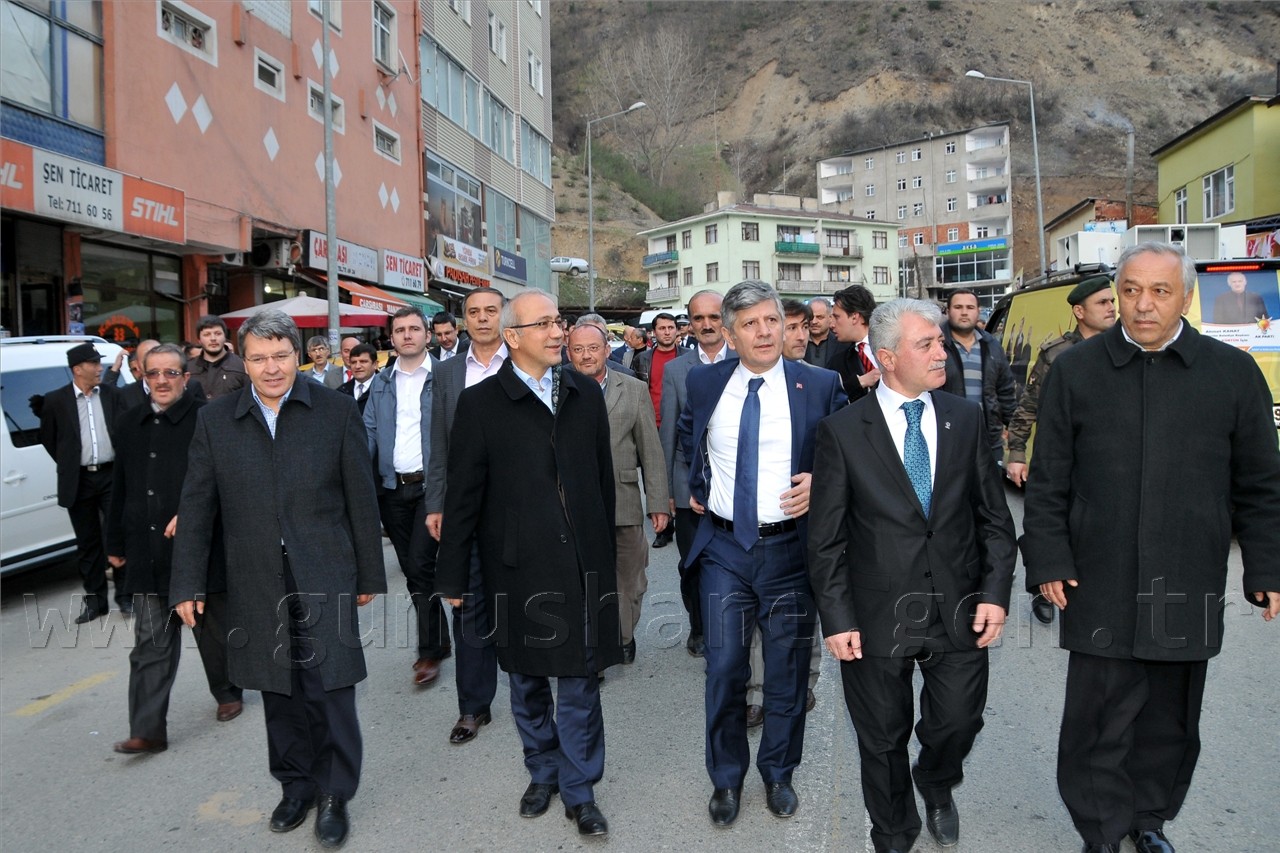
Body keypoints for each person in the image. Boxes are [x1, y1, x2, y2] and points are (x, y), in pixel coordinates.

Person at [1020, 242, 1280, 853]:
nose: (1142, 305)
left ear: (1185, 297)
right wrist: (1049, 558)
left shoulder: (1232, 373)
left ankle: (1148, 820)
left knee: (1170, 718)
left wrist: (1267, 565)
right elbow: (1049, 476)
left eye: (1159, 291)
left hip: (1188, 571)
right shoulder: (1077, 371)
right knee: (1098, 718)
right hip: (1098, 573)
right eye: (1131, 289)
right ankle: (1102, 831)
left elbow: (1261, 485)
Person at [170, 310, 386, 848]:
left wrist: (368, 573)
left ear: (300, 355)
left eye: (281, 356)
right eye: (260, 358)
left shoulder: (333, 411)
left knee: (329, 684)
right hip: (254, 573)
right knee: (276, 685)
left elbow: (361, 496)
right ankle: (295, 786)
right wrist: (186, 584)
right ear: (244, 360)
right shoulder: (216, 419)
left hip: (325, 568)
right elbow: (197, 506)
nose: (271, 368)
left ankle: (335, 791)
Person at [808, 297, 1015, 853]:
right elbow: (825, 539)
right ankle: (894, 834)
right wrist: (838, 618)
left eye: (940, 341)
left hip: (959, 606)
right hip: (876, 615)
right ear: (888, 357)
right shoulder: (843, 431)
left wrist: (996, 594)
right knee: (880, 739)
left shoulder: (966, 418)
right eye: (925, 344)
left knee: (957, 722)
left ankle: (937, 779)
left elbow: (995, 519)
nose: (940, 351)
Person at [436, 291, 620, 838]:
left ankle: (580, 790)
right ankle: (542, 771)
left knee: (582, 680)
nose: (557, 331)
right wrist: (452, 575)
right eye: (543, 323)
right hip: (516, 567)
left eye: (558, 320)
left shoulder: (586, 394)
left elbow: (602, 482)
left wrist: (603, 552)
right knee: (527, 681)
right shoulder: (481, 403)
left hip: (582, 563)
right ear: (513, 337)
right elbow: (464, 497)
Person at [676, 280, 845, 827]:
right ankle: (726, 780)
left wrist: (821, 482)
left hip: (790, 551)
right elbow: (687, 437)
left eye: (771, 320)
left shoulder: (818, 384)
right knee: (724, 670)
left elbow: (851, 453)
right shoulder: (704, 382)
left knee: (786, 672)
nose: (765, 331)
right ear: (729, 333)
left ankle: (778, 773)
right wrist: (696, 485)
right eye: (750, 324)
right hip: (725, 548)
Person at [106, 344, 243, 755]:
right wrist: (113, 541)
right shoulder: (129, 421)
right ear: (142, 377)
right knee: (151, 642)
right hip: (145, 548)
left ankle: (227, 691)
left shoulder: (208, 420)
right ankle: (148, 729)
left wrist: (193, 513)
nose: (162, 381)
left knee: (212, 633)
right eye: (154, 374)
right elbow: (121, 485)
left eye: (171, 373)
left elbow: (230, 481)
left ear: (187, 377)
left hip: (200, 548)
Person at [1006, 275, 1115, 625]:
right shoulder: (1057, 355)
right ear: (1080, 312)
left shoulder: (1125, 350)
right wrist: (1017, 454)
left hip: (1102, 461)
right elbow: (1028, 405)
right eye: (1103, 303)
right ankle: (1041, 586)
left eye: (1112, 301)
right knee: (1050, 522)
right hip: (1059, 458)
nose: (1112, 308)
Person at [424, 287, 506, 745]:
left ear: (503, 316)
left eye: (490, 310)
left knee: (529, 599)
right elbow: (438, 443)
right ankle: (473, 707)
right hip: (463, 507)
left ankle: (540, 689)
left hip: (519, 506)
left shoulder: (527, 362)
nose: (481, 318)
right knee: (468, 604)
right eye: (473, 312)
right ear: (463, 320)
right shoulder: (449, 372)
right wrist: (436, 502)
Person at [567, 322, 670, 665]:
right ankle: (593, 646)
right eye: (578, 349)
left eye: (593, 348)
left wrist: (658, 504)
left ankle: (622, 636)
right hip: (575, 505)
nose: (586, 356)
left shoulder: (634, 389)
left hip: (623, 501)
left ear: (607, 351)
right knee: (585, 580)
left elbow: (651, 451)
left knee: (630, 579)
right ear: (569, 353)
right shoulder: (558, 390)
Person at [363, 307, 449, 687]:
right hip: (391, 489)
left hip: (431, 489)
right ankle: (439, 641)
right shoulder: (381, 383)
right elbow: (367, 433)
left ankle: (429, 651)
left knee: (418, 565)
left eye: (415, 329)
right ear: (392, 338)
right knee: (417, 572)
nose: (408, 335)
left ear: (427, 335)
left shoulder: (445, 377)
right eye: (400, 330)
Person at [659, 290, 732, 657]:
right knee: (692, 563)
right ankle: (698, 627)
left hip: (736, 489)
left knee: (732, 565)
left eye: (714, 317)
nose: (707, 325)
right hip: (689, 487)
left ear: (726, 319)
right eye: (699, 318)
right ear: (690, 322)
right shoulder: (676, 370)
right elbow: (668, 433)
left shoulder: (747, 361)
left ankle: (729, 627)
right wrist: (668, 492)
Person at [38, 342, 129, 621]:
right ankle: (95, 602)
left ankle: (125, 598)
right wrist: (70, 464)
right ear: (78, 369)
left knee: (118, 536)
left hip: (112, 475)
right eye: (94, 364)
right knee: (88, 543)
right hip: (79, 480)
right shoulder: (56, 401)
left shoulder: (112, 395)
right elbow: (50, 439)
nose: (99, 367)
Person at [940, 289, 1017, 463]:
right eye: (958, 307)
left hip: (989, 440)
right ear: (948, 311)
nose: (964, 312)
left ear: (978, 311)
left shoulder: (992, 346)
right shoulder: (936, 346)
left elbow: (1005, 391)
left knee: (991, 490)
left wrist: (1014, 431)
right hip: (948, 441)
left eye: (970, 307)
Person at [829, 285, 880, 400]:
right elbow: (832, 398)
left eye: (837, 317)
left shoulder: (894, 344)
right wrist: (859, 383)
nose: (832, 325)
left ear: (854, 317)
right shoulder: (838, 361)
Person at [186, 316, 247, 399]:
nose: (213, 338)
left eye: (218, 333)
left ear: (225, 336)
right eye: (207, 334)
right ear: (199, 340)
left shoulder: (242, 366)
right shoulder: (188, 368)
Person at [337, 342, 379, 414]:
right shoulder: (341, 392)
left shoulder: (386, 389)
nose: (357, 366)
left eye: (363, 362)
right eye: (353, 362)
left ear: (375, 364)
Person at [804, 297, 845, 368]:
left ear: (830, 318)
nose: (814, 322)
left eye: (820, 317)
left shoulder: (842, 344)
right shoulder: (799, 341)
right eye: (811, 317)